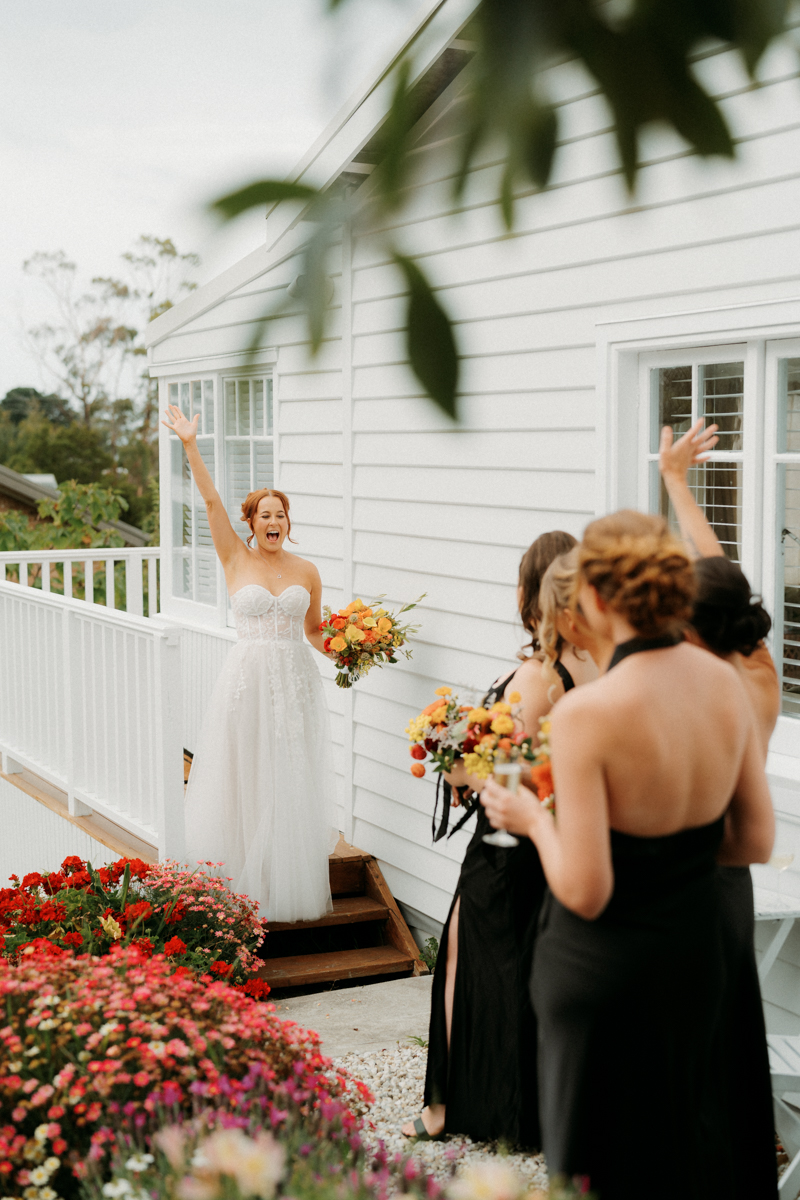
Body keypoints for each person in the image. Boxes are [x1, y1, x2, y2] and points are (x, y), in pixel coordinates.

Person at [482, 510, 775, 1200]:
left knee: (599, 1164)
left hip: (602, 970)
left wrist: (532, 819)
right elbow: (753, 839)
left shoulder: (592, 712)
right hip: (694, 958)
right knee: (681, 1150)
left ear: (601, 598)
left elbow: (585, 890)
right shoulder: (725, 685)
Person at [402, 530, 601, 1145]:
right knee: (529, 969)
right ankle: (538, 1108)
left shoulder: (537, 676)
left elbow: (496, 765)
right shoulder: (594, 665)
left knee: (464, 964)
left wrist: (449, 757)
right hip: (561, 834)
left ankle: (448, 1108)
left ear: (528, 593)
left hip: (505, 842)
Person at [661, 418, 780, 1198]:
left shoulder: (703, 688)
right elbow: (718, 568)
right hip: (726, 882)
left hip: (687, 875)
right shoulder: (759, 666)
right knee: (729, 1030)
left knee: (683, 1038)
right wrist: (676, 484)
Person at [163, 403, 337, 923]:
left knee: (289, 771)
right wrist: (190, 444)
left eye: (281, 515)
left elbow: (315, 632)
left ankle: (284, 873)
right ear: (252, 522)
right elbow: (211, 500)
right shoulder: (235, 558)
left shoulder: (307, 570)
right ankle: (241, 874)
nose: (274, 522)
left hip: (296, 682)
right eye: (265, 515)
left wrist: (355, 645)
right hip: (248, 679)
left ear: (288, 522)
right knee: (246, 770)